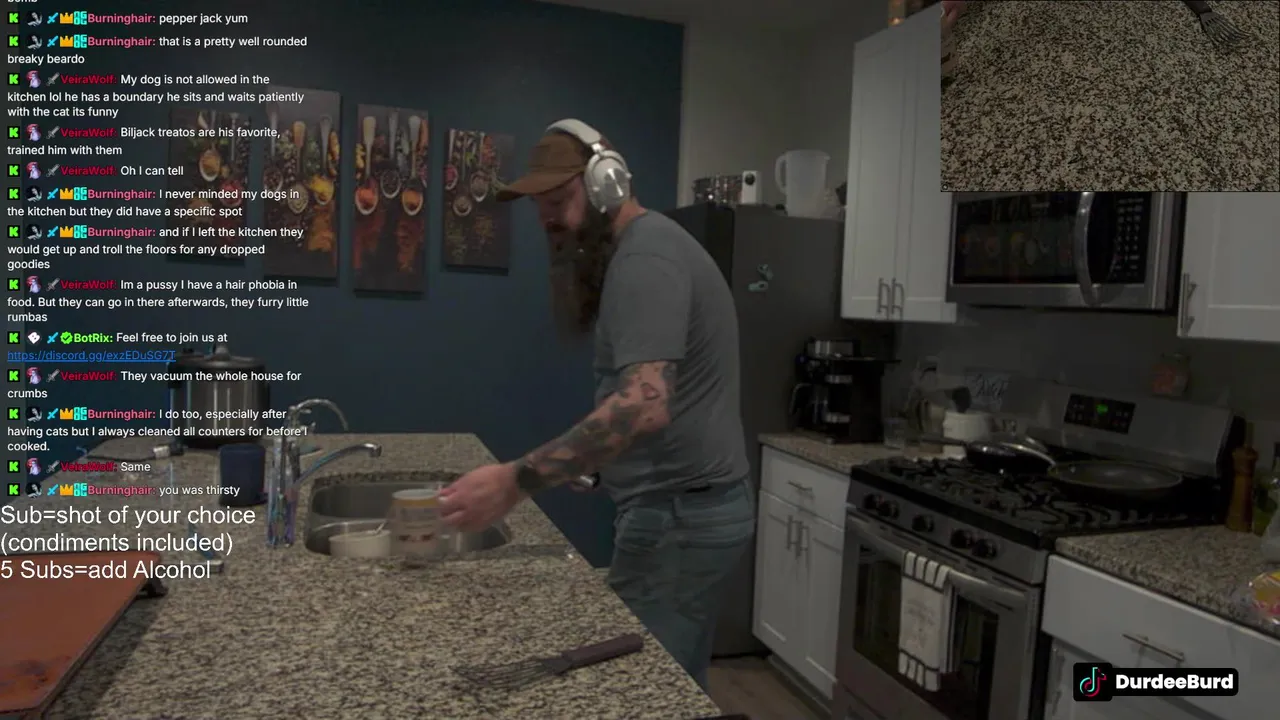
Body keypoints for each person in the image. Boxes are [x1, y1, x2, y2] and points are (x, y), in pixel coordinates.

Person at [437, 119, 754, 689]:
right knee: (675, 685)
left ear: (608, 183)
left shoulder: (645, 259)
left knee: (636, 691)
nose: (548, 219)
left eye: (559, 200)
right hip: (687, 512)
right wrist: (603, 462)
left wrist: (514, 481)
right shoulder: (647, 250)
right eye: (539, 207)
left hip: (679, 523)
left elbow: (644, 405)